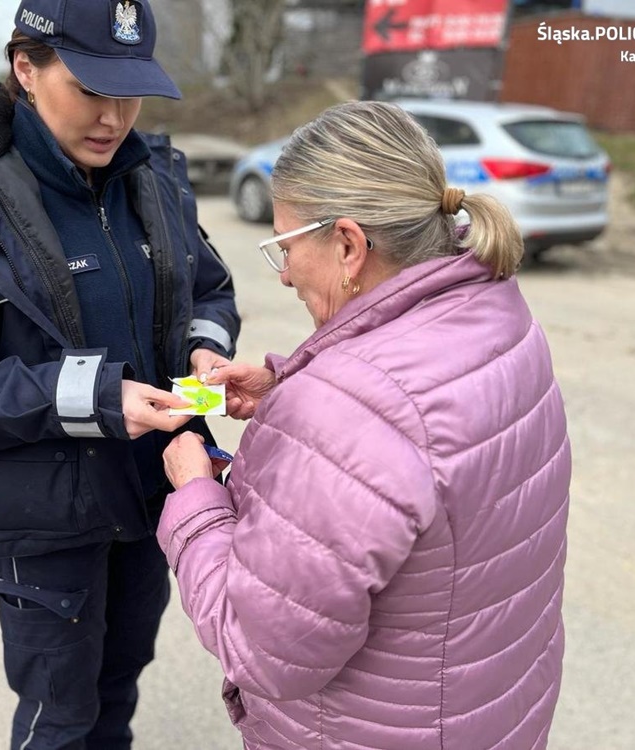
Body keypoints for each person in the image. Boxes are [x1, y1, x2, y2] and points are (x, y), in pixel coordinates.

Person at [159, 101, 571, 749]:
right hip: (489, 715)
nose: (287, 272)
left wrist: (196, 500)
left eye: (286, 247)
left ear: (348, 244)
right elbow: (421, 441)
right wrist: (288, 384)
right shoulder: (498, 315)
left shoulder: (343, 412)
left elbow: (264, 650)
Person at [0, 0, 240, 746]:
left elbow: (208, 287)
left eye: (130, 90)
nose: (114, 116)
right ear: (26, 67)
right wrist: (92, 396)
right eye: (90, 88)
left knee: (117, 692)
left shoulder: (158, 176)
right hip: (47, 521)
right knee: (60, 718)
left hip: (152, 500)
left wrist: (205, 349)